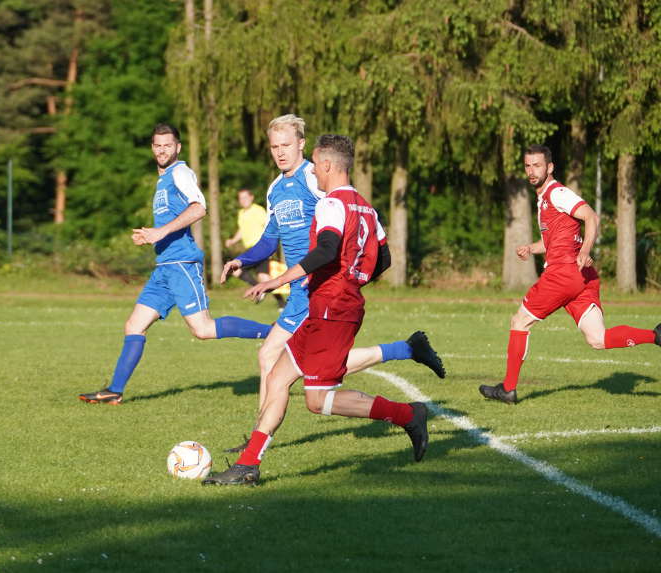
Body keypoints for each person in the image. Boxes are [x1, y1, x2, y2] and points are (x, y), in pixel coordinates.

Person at [203, 135, 429, 485]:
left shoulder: (331, 204)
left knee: (318, 402)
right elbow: (383, 258)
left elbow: (326, 250)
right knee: (277, 377)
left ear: (325, 164)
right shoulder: (366, 206)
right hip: (326, 304)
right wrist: (353, 279)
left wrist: (275, 281)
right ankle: (248, 464)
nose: (315, 175)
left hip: (333, 309)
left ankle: (406, 415)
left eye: (317, 166)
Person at [79, 124, 273, 405]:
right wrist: (151, 236)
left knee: (203, 329)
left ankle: (279, 333)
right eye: (157, 145)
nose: (162, 150)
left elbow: (199, 207)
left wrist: (160, 232)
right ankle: (115, 390)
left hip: (182, 263)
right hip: (164, 267)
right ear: (152, 148)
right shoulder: (162, 180)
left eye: (167, 145)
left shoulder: (180, 172)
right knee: (134, 325)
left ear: (177, 147)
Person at [479, 144, 661, 405]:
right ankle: (656, 335)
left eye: (537, 165)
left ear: (550, 167)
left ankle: (508, 389)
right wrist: (532, 248)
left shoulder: (558, 193)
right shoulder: (544, 200)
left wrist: (586, 250)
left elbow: (591, 217)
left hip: (563, 273)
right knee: (598, 339)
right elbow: (555, 241)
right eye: (528, 166)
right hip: (581, 277)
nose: (532, 171)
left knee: (519, 321)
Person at [224, 188, 286, 308]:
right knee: (234, 269)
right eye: (241, 198)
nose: (243, 200)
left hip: (261, 249)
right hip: (249, 251)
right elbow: (242, 231)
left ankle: (281, 302)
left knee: (264, 278)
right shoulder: (241, 213)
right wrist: (233, 240)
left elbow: (269, 226)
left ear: (251, 197)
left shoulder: (258, 210)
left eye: (245, 197)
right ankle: (262, 291)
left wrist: (270, 245)